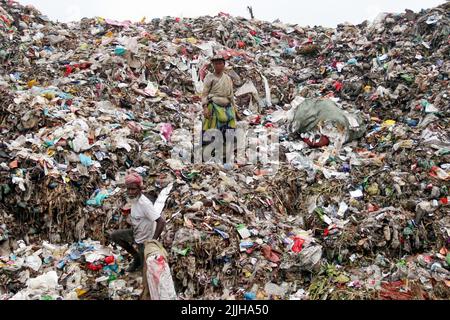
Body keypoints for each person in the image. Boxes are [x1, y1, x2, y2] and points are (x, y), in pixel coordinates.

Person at [110, 172, 166, 272]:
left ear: (140, 189)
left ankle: (139, 260)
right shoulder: (134, 199)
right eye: (129, 189)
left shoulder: (144, 204)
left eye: (133, 189)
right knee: (115, 236)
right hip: (137, 233)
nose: (130, 192)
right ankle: (136, 257)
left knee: (142, 270)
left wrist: (152, 241)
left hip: (145, 240)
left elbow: (161, 221)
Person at [202, 55, 239, 136]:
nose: (218, 66)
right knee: (212, 130)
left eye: (220, 63)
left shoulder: (227, 78)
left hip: (227, 106)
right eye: (216, 64)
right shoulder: (209, 77)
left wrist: (235, 109)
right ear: (213, 65)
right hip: (214, 106)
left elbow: (231, 95)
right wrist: (205, 108)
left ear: (224, 64)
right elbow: (204, 94)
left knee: (230, 130)